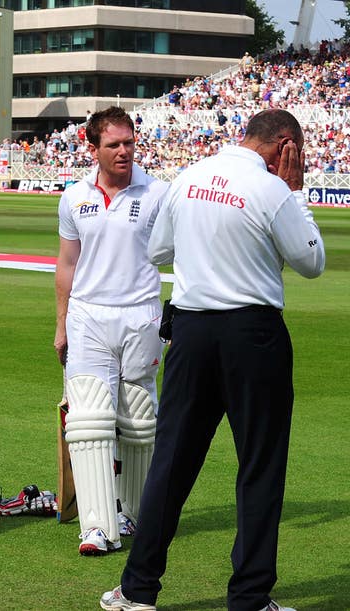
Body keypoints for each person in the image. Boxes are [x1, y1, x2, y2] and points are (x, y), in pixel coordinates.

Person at [100, 109, 325, 610]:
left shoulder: (190, 177)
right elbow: (311, 260)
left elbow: (158, 252)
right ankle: (248, 598)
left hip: (193, 331)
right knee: (260, 468)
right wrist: (293, 193)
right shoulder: (271, 190)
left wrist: (207, 250)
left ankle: (137, 590)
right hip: (253, 335)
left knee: (172, 464)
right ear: (285, 145)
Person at [54, 106, 169, 556]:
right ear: (93, 147)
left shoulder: (158, 193)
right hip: (87, 315)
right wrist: (60, 324)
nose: (124, 151)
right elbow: (67, 264)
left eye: (129, 142)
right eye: (114, 144)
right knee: (87, 421)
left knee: (139, 422)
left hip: (141, 314)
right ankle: (97, 527)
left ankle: (136, 513)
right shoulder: (74, 196)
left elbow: (181, 253)